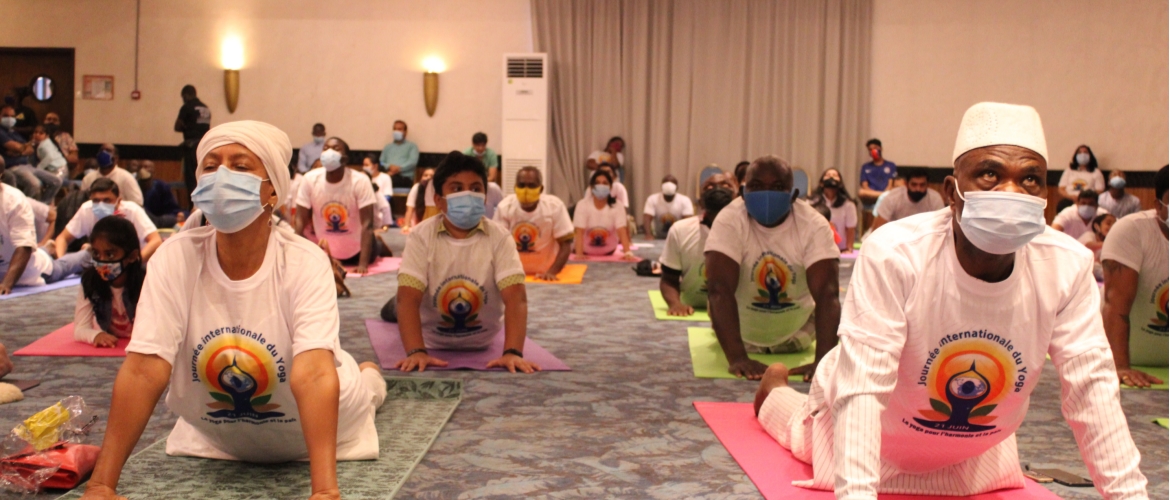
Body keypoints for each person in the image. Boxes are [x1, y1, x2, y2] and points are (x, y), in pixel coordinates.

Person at [752, 102, 1147, 498]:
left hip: (976, 455)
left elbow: (1093, 393)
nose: (1011, 192)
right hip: (867, 436)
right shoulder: (895, 253)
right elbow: (862, 392)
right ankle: (775, 388)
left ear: (1044, 195)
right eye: (990, 174)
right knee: (796, 430)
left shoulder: (1067, 264)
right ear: (951, 192)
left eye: (1029, 179)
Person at [78, 121, 387, 500]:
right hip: (218, 433)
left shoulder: (305, 261)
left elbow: (314, 376)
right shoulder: (174, 258)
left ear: (273, 189)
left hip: (319, 427)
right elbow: (143, 370)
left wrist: (325, 492)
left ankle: (369, 376)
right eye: (211, 166)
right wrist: (101, 485)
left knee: (361, 386)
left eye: (240, 167)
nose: (222, 176)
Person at [380, 151, 539, 374]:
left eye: (475, 188)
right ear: (438, 200)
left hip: (481, 340)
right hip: (430, 335)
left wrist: (513, 351)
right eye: (456, 188)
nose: (467, 195)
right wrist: (416, 351)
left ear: (484, 197)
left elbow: (516, 298)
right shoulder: (420, 235)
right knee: (395, 306)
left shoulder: (500, 237)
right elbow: (407, 300)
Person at [705, 156, 841, 380]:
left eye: (778, 187)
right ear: (742, 192)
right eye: (757, 186)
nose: (766, 194)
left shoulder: (814, 225)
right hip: (742, 336)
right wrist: (738, 358)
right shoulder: (729, 219)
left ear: (793, 194)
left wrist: (822, 364)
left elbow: (828, 294)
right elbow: (719, 289)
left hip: (798, 336)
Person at [1101, 165, 1169, 388]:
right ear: (1158, 205)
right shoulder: (1131, 231)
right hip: (1129, 358)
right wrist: (1119, 367)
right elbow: (1115, 305)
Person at [0, 161, 88, 294]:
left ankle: (88, 253)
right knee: (41, 251)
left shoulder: (14, 200)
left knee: (62, 266)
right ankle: (46, 248)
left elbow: (24, 247)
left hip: (28, 273)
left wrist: (6, 284)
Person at [294, 137, 377, 275]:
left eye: (336, 149)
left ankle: (379, 243)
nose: (329, 152)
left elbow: (367, 224)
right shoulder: (309, 179)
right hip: (326, 251)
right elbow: (299, 220)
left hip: (357, 251)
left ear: (345, 159)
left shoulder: (360, 181)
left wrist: (363, 264)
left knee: (376, 246)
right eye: (325, 148)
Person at [659, 184, 736, 316]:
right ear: (703, 208)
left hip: (732, 308)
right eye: (715, 215)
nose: (720, 221)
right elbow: (669, 278)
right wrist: (675, 304)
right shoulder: (680, 230)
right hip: (690, 305)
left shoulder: (744, 232)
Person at [74, 217, 145, 347]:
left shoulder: (147, 282)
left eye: (110, 255)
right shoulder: (90, 282)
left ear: (132, 256)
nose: (102, 261)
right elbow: (80, 329)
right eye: (96, 253)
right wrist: (96, 335)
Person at [493, 166, 573, 280]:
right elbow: (497, 244)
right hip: (513, 272)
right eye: (521, 185)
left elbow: (566, 244)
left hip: (547, 272)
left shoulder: (554, 207)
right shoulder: (505, 207)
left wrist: (552, 271)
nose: (526, 190)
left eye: (531, 186)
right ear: (515, 188)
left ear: (540, 189)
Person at [56, 178, 162, 262]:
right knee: (78, 258)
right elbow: (62, 238)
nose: (101, 205)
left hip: (133, 260)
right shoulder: (86, 209)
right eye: (96, 200)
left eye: (107, 200)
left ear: (118, 201)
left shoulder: (132, 210)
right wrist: (61, 259)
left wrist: (135, 264)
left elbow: (155, 240)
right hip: (99, 261)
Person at [2, 105, 61, 204]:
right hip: (13, 167)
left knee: (56, 181)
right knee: (35, 184)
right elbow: (17, 147)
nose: (9, 119)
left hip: (27, 166)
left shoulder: (13, 132)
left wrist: (18, 151)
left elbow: (30, 149)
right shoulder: (1, 132)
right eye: (6, 115)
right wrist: (20, 149)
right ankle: (21, 208)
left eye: (12, 116)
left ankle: (41, 208)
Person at [573, 170, 637, 259]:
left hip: (609, 251)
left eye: (605, 183)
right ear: (591, 187)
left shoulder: (617, 205)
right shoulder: (582, 205)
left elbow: (622, 231)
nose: (601, 185)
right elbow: (579, 232)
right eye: (597, 183)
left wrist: (628, 253)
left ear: (610, 187)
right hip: (585, 252)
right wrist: (579, 254)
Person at [870, 169, 944, 231]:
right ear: (906, 184)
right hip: (894, 238)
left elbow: (941, 227)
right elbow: (877, 229)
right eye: (914, 185)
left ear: (927, 185)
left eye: (922, 185)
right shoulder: (893, 197)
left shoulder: (935, 199)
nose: (918, 189)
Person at [175, 85, 212, 196]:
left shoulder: (187, 107)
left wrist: (186, 127)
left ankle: (193, 205)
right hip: (204, 146)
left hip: (191, 146)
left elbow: (177, 126)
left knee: (191, 178)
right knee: (203, 175)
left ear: (186, 95)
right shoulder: (206, 108)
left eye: (183, 97)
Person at [809, 168, 858, 251]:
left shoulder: (849, 205)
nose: (831, 177)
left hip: (841, 250)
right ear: (821, 183)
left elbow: (851, 230)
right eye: (828, 175)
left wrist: (849, 249)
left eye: (835, 176)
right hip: (816, 249)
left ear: (840, 183)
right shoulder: (811, 202)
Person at [642, 175, 694, 240]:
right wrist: (648, 234)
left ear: (677, 187)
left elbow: (688, 221)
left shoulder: (685, 200)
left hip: (678, 238)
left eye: (672, 183)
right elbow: (647, 218)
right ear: (661, 186)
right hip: (658, 237)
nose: (669, 185)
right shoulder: (652, 199)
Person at [1057, 144, 1105, 213]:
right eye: (1080, 152)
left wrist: (1086, 199)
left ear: (1090, 156)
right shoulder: (1069, 170)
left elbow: (1099, 191)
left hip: (1088, 200)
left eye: (1085, 152)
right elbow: (1061, 188)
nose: (1082, 154)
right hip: (1070, 199)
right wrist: (1071, 196)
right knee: (1062, 205)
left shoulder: (1096, 172)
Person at [136, 160, 184, 228]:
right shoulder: (134, 186)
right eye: (141, 167)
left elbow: (172, 209)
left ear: (154, 172)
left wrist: (178, 215)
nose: (143, 169)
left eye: (146, 167)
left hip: (161, 221)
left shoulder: (161, 186)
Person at [379, 120, 419, 187]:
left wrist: (398, 169)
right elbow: (381, 162)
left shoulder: (412, 146)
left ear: (405, 132)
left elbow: (412, 162)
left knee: (386, 182)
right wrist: (389, 166)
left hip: (404, 178)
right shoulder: (388, 147)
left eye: (399, 129)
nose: (396, 131)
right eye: (395, 129)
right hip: (388, 176)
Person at [857, 138, 897, 204]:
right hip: (872, 196)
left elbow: (890, 184)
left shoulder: (890, 165)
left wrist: (885, 193)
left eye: (875, 148)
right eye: (870, 149)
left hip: (886, 193)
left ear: (881, 148)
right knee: (861, 192)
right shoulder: (865, 167)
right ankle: (882, 196)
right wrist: (880, 195)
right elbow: (865, 186)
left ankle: (883, 196)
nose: (873, 151)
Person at [401, 167, 435, 234]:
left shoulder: (439, 190)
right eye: (425, 175)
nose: (428, 177)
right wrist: (406, 226)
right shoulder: (416, 188)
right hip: (418, 224)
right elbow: (409, 210)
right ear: (420, 177)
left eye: (431, 176)